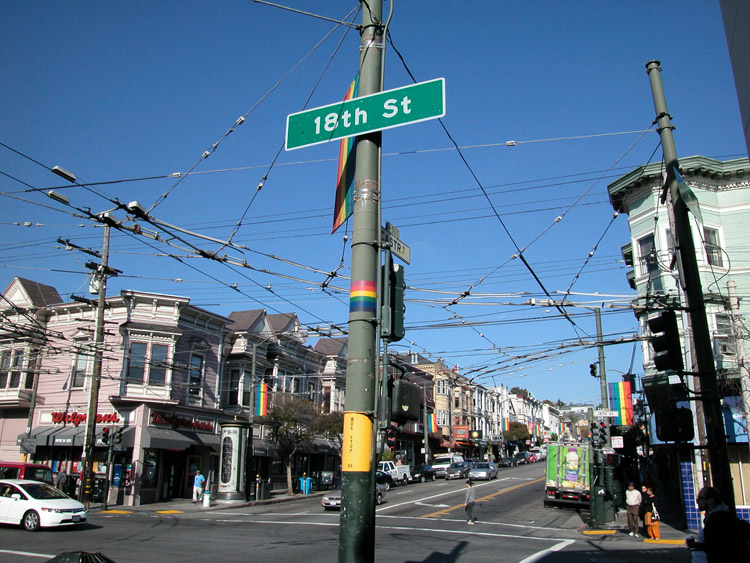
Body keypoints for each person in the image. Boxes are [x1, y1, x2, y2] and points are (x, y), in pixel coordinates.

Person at [686, 486, 750, 561]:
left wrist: (698, 547)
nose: (697, 501)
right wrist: (697, 546)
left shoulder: (717, 520)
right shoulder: (716, 516)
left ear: (710, 501)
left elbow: (717, 547)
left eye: (700, 498)